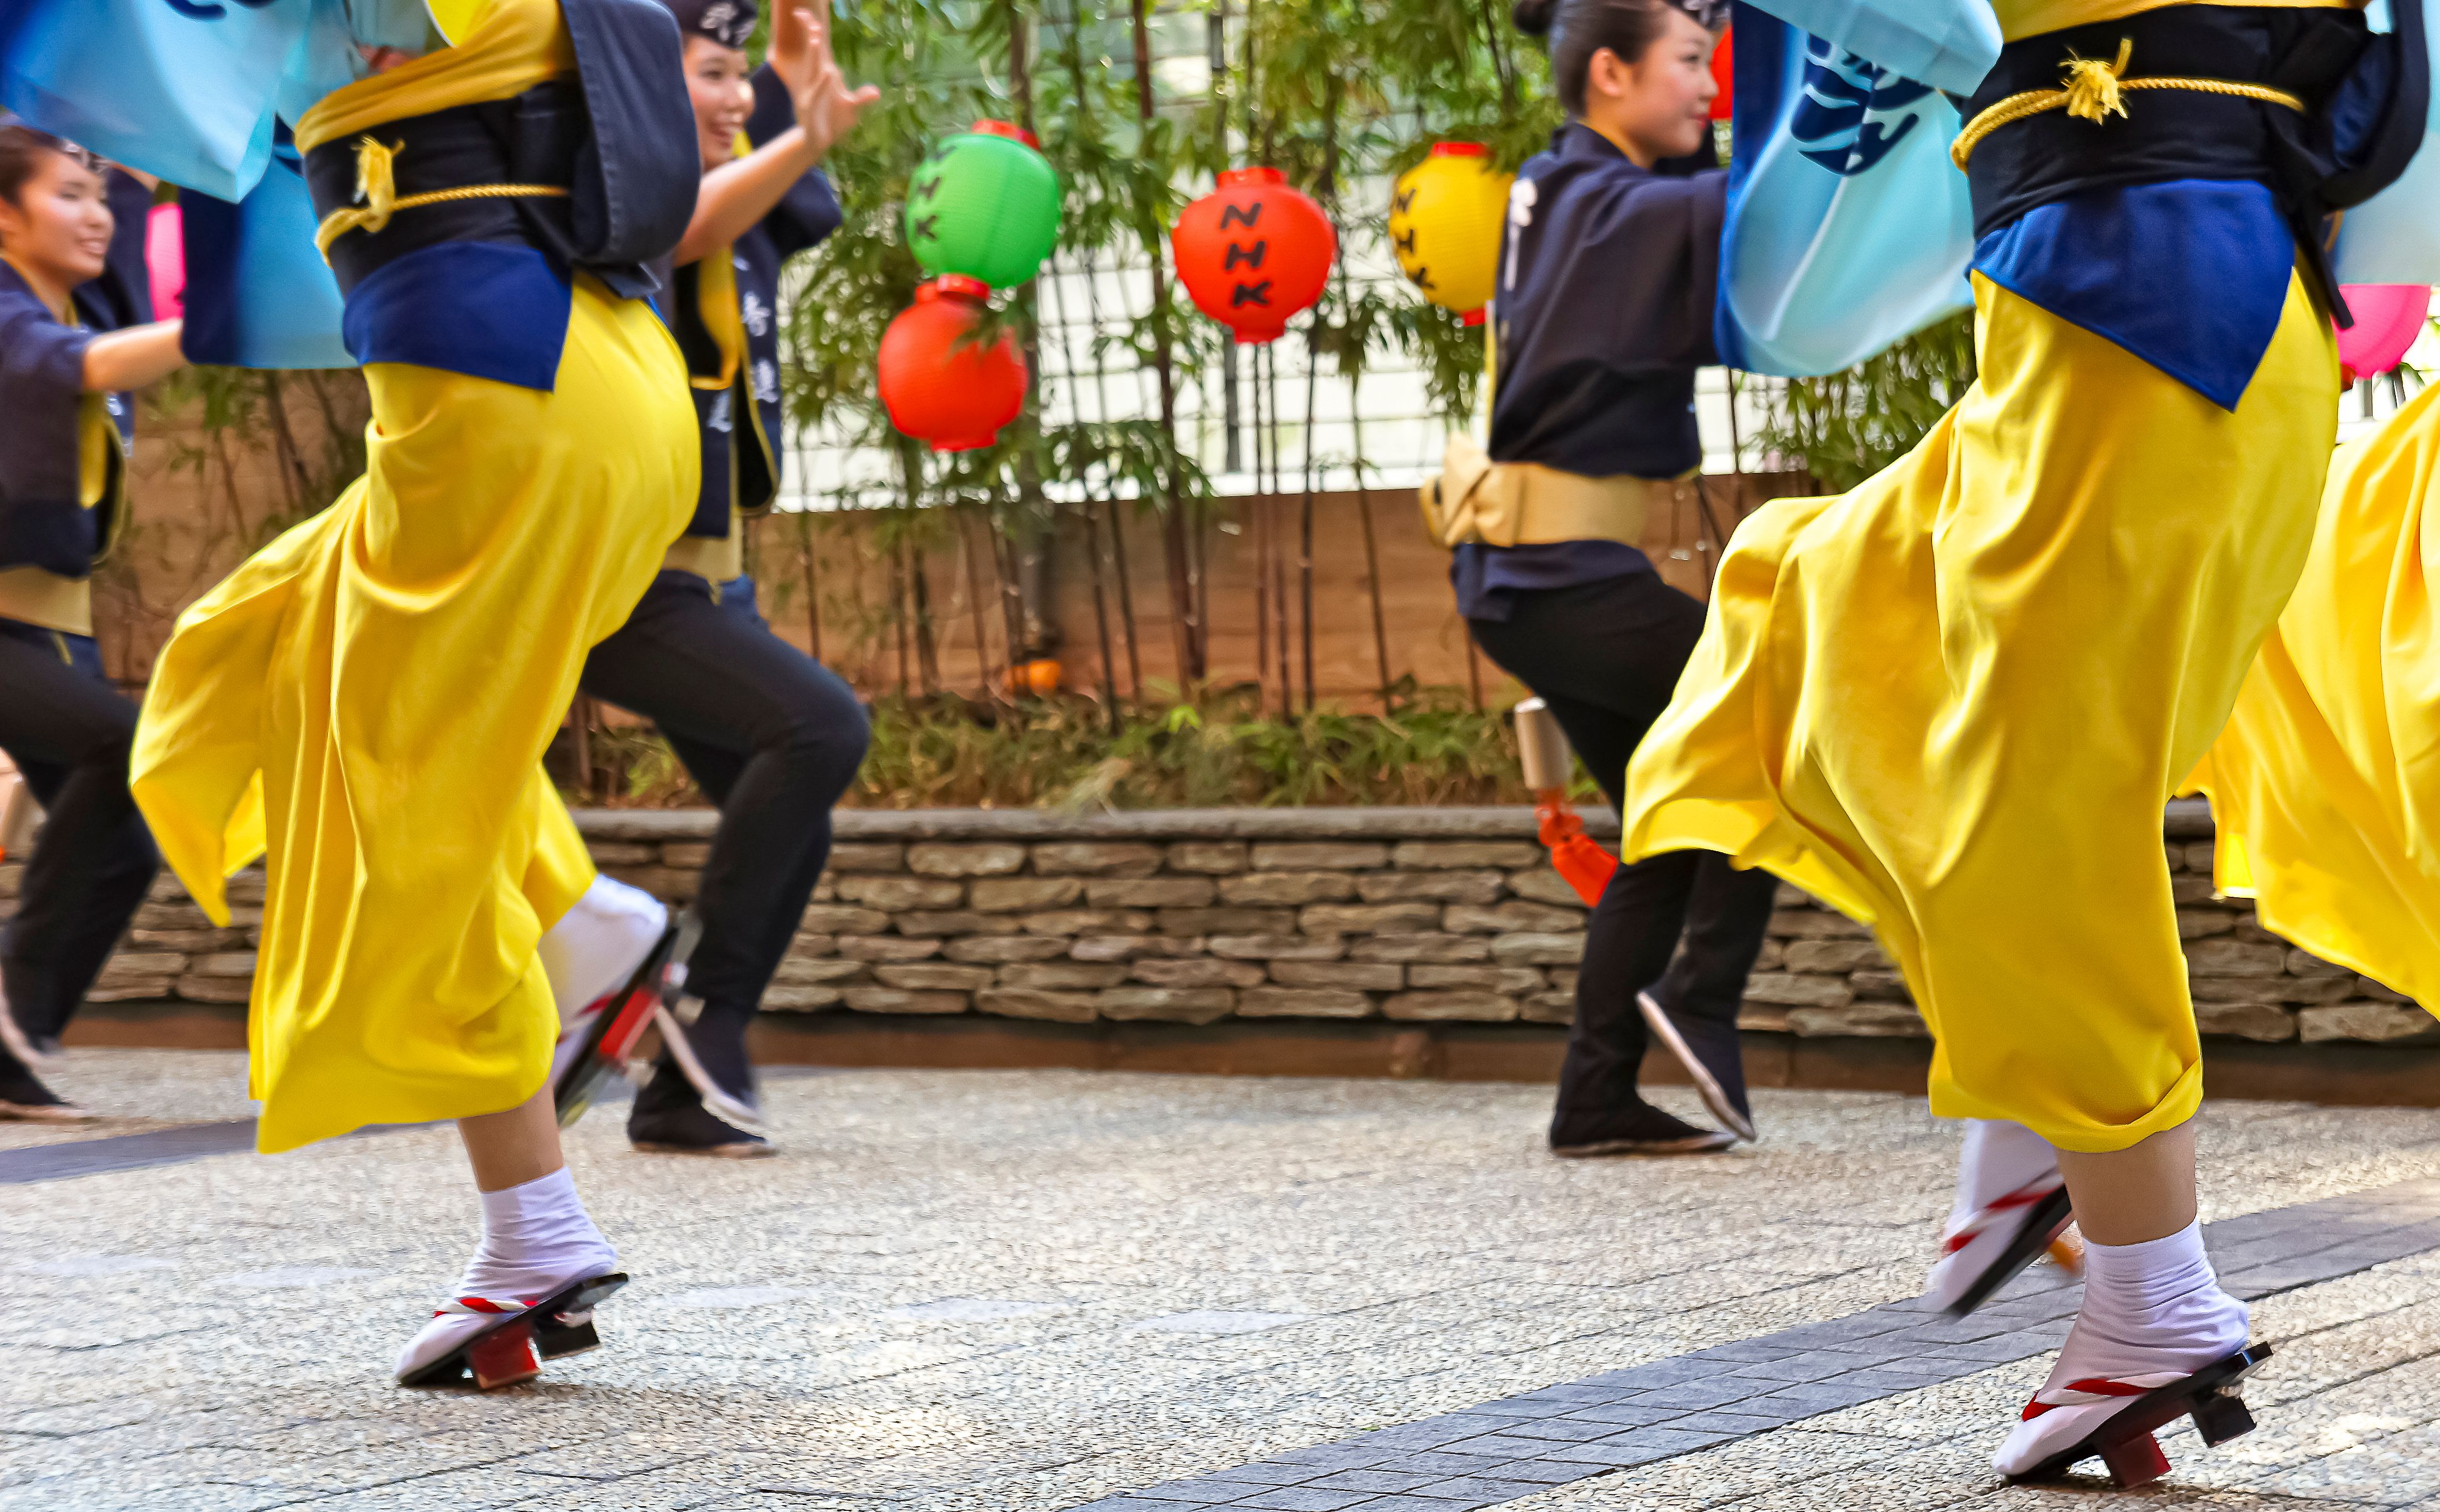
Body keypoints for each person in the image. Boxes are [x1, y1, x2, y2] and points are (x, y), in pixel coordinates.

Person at [1613, 0, 2413, 1483]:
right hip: (2126, 322)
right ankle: (2035, 1118)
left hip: (2149, 319)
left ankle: (2148, 1297)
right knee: (1831, 602)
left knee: (2029, 806)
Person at [128, 0, 723, 1389]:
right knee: (286, 633)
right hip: (600, 396)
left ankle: (533, 1229)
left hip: (507, 399)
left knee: (404, 802)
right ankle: (587, 923)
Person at [1442, 0, 1776, 1157]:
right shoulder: (1603, 207)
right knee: (1760, 723)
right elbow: (1752, 207)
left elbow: (1692, 200)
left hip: (1531, 576)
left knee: (1667, 817)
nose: (1708, 84)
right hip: (1557, 577)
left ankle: (1595, 1098)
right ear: (1609, 74)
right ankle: (1701, 999)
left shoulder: (1565, 187)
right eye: (1688, 61)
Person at [566, 0, 874, 1158]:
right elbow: (687, 225)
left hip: (707, 575)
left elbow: (761, 198)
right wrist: (798, 132)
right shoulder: (612, 196)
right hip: (620, 573)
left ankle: (680, 1088)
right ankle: (694, 1012)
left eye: (741, 76)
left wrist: (787, 77)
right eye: (710, 74)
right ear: (645, 89)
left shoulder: (749, 194)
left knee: (793, 811)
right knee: (820, 727)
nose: (736, 97)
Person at [0, 128, 184, 1119]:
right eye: (68, 194)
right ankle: (15, 991)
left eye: (98, 193)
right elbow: (82, 366)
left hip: (45, 624)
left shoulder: (89, 291)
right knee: (121, 741)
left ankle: (11, 1050)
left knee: (125, 850)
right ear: (5, 216)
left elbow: (147, 147)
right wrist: (225, 329)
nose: (97, 212)